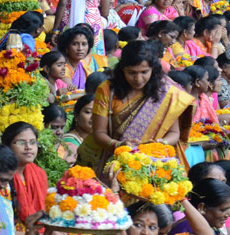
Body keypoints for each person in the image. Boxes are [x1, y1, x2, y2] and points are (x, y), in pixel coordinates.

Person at [77, 40, 194, 168]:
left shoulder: (167, 92)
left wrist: (159, 144)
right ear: (122, 70)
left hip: (154, 163)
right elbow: (99, 132)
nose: (138, 79)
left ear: (153, 70)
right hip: (114, 162)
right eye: (131, 73)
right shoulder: (107, 90)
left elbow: (175, 133)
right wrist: (118, 146)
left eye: (144, 72)